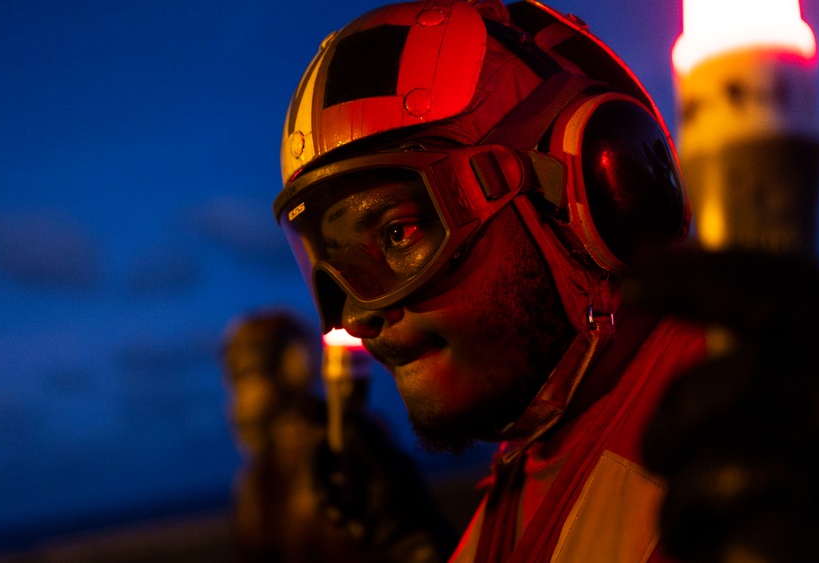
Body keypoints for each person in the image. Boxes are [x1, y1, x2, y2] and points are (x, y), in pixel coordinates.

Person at [271, 1, 708, 561]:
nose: (356, 315)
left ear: (601, 194)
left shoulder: (749, 452)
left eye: (399, 233)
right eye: (333, 265)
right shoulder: (532, 452)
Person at [221, 310, 386, 563]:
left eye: (246, 376)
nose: (238, 402)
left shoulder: (344, 449)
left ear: (293, 365)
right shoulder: (259, 474)